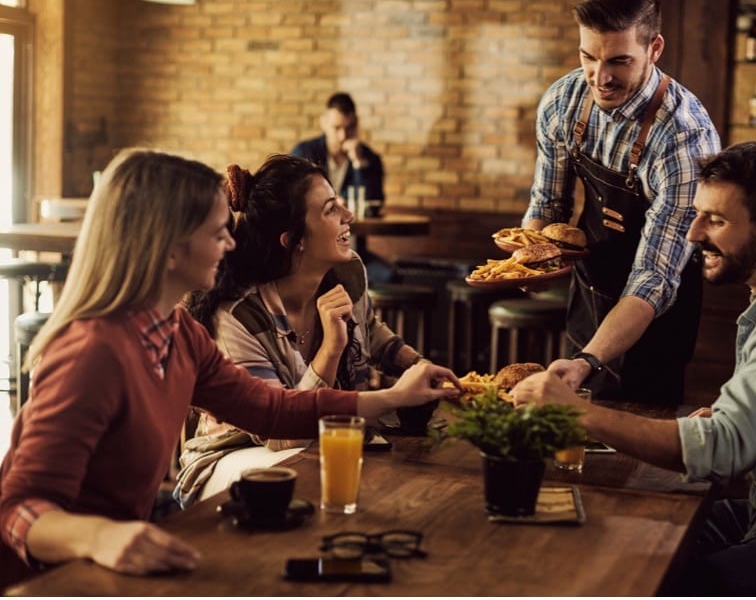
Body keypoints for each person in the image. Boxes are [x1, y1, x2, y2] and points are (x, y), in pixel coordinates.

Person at [0, 148, 460, 578]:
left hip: (117, 568)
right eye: (217, 232)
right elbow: (16, 510)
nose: (231, 245)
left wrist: (395, 397)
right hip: (44, 579)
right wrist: (100, 536)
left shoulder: (180, 337)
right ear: (171, 248)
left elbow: (274, 410)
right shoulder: (91, 353)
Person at [512, 141, 756, 595]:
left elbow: (722, 452)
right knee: (630, 533)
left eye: (716, 220)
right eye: (697, 213)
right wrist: (730, 417)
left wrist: (577, 412)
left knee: (646, 580)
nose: (694, 233)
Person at [175, 154, 426, 506]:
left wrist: (416, 365)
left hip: (320, 441)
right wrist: (331, 349)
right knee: (318, 476)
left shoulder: (348, 271)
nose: (348, 216)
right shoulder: (239, 316)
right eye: (330, 210)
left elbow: (369, 331)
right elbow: (280, 434)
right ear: (294, 239)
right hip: (236, 456)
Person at [522, 0, 721, 405]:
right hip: (588, 299)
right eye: (588, 57)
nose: (599, 77)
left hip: (654, 327)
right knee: (571, 451)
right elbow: (548, 206)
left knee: (637, 459)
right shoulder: (563, 102)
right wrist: (530, 263)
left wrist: (588, 361)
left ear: (655, 48)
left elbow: (653, 278)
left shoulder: (685, 138)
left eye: (618, 61)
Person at [290, 92, 393, 284]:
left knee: (388, 276)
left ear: (357, 125)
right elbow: (292, 201)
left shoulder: (370, 159)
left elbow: (373, 205)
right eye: (336, 128)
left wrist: (359, 163)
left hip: (352, 249)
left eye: (350, 128)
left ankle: (365, 315)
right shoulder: (304, 153)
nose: (343, 136)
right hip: (312, 251)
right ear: (323, 123)